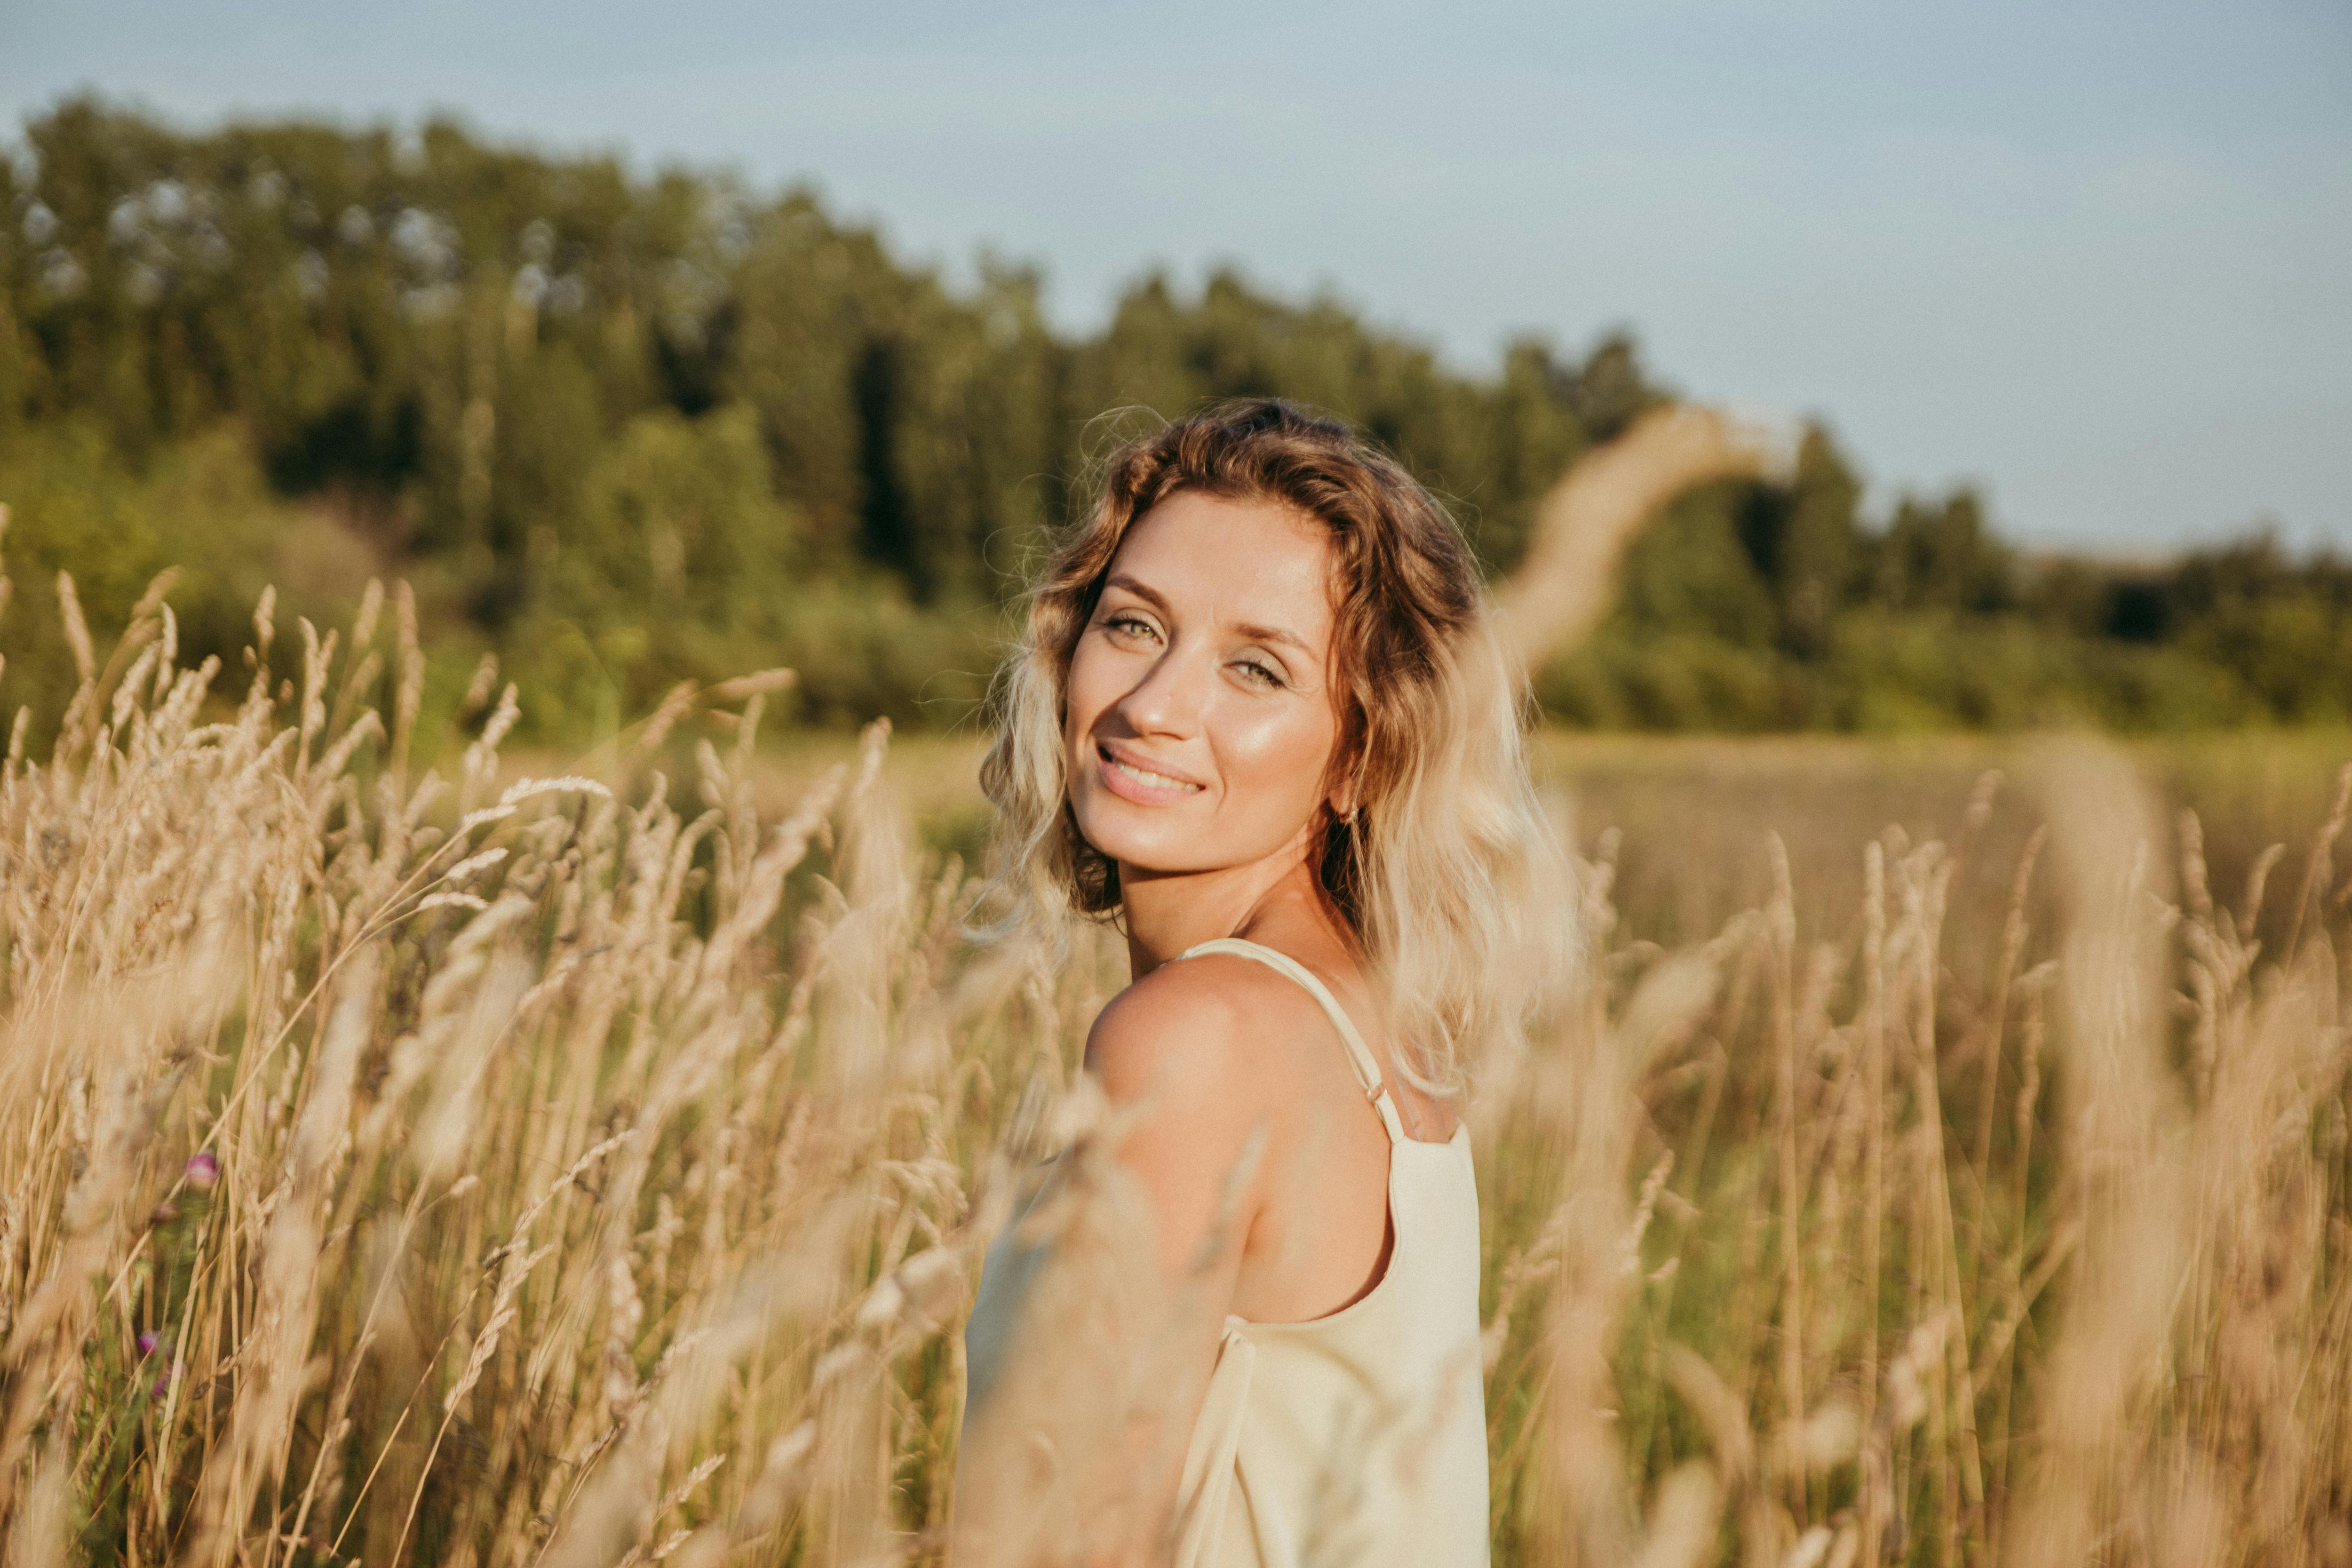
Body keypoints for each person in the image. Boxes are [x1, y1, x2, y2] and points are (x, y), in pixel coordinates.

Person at [954, 398, 1574, 1568]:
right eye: (1133, 625)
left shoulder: (1201, 1035)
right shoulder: (1362, 1030)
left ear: (1358, 751)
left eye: (1254, 667)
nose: (1154, 707)